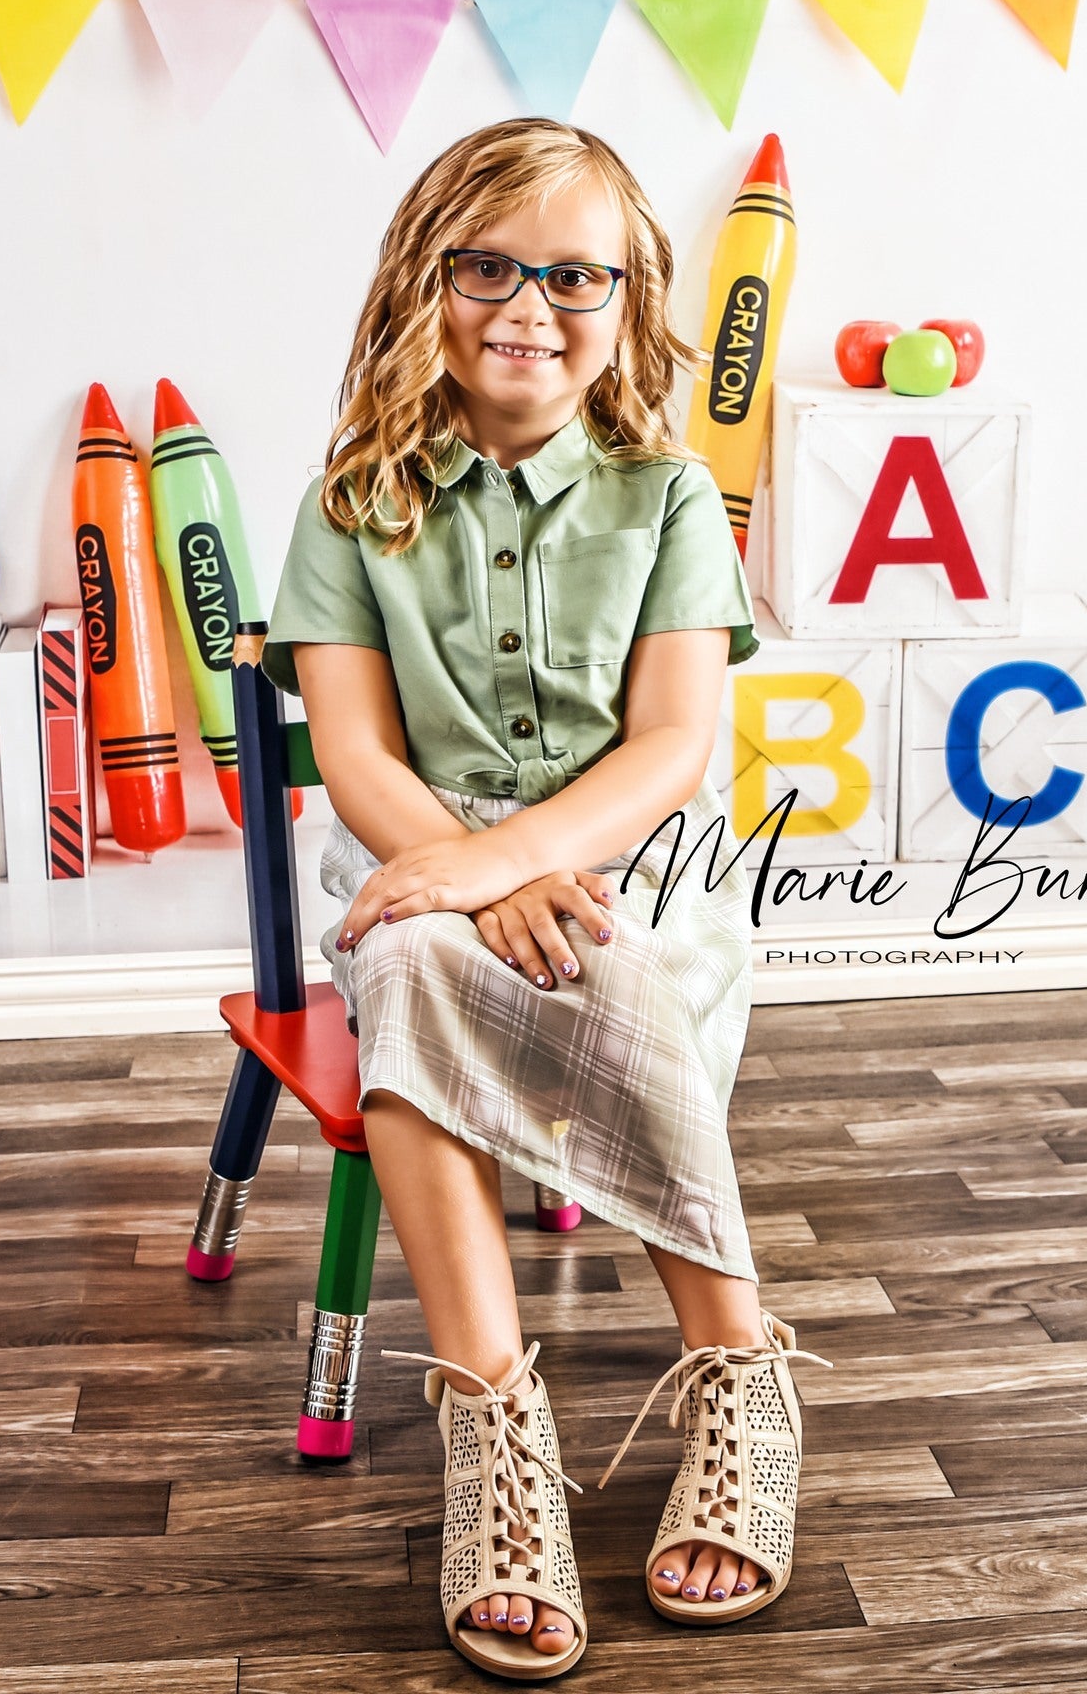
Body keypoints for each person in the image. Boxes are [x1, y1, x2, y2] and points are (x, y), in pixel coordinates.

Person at [260, 118, 829, 1681]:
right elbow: (360, 755)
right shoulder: (350, 503)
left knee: (606, 953)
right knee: (424, 963)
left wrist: (518, 865)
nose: (527, 302)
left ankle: (736, 1370)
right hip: (418, 839)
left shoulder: (668, 501)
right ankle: (493, 1430)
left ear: (629, 298)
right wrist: (462, 866)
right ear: (421, 285)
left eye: (572, 273)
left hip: (630, 849)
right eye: (487, 266)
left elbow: (669, 747)